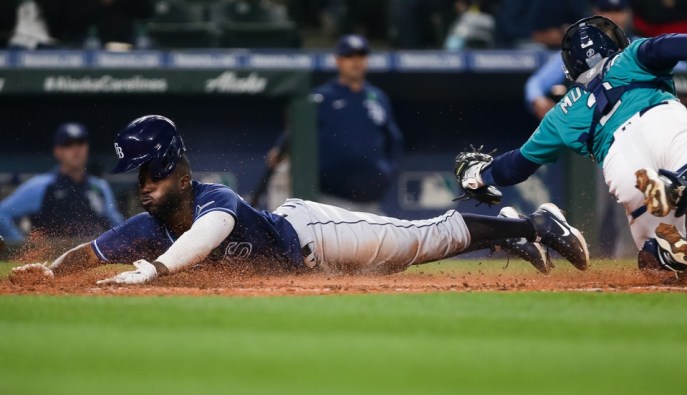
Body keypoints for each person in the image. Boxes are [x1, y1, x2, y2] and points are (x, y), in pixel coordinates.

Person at [9, 115, 590, 285]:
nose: (142, 187)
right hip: (308, 267)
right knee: (417, 256)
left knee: (421, 240)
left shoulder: (216, 199)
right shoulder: (146, 224)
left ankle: (534, 223)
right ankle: (509, 231)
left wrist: (157, 270)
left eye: (151, 177)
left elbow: (206, 237)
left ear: (178, 173)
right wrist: (50, 270)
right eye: (139, 179)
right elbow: (91, 251)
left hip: (313, 234)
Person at [453, 16, 687, 280]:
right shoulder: (629, 56)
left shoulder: (560, 113)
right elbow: (667, 45)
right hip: (663, 122)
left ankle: (662, 241)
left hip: (622, 165)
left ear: (571, 67)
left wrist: (478, 176)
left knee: (663, 266)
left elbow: (516, 166)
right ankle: (677, 186)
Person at [253, 34, 403, 214]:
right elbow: (296, 131)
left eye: (361, 55)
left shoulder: (378, 97)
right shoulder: (321, 97)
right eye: (349, 56)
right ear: (338, 60)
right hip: (330, 201)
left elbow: (393, 140)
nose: (355, 61)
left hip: (371, 202)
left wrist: (387, 173)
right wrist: (280, 148)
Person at [0, 122, 125, 245]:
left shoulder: (99, 186)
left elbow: (118, 225)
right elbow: (2, 213)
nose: (76, 149)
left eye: (81, 143)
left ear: (87, 147)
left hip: (92, 260)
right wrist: (21, 246)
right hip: (51, 261)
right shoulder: (41, 186)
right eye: (68, 144)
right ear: (58, 151)